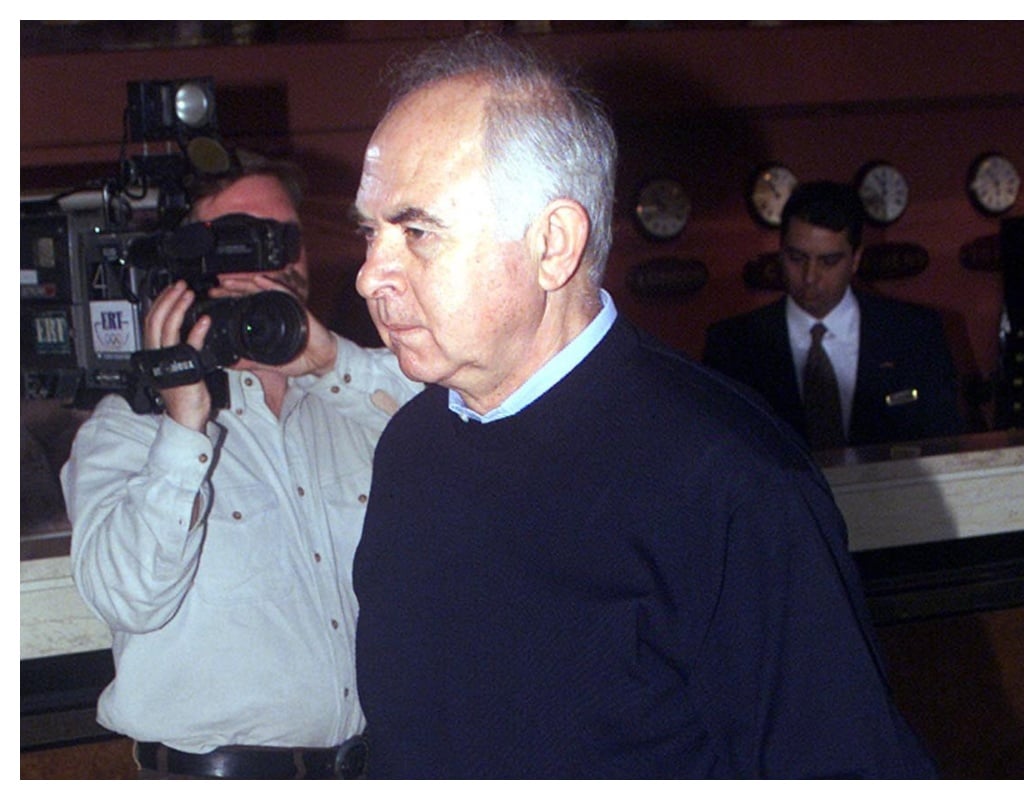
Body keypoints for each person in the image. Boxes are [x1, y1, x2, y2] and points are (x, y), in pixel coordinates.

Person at [351, 34, 937, 779]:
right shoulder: (410, 449)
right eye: (370, 233)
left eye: (416, 232)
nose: (371, 275)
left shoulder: (728, 479)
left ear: (553, 245)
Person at [61, 159, 423, 778]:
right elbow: (127, 597)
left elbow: (470, 430)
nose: (272, 257)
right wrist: (184, 425)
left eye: (284, 237)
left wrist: (329, 362)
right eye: (241, 238)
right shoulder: (130, 427)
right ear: (185, 262)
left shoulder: (349, 399)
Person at [703, 181, 964, 449]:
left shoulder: (915, 334)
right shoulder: (734, 346)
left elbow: (945, 444)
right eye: (797, 258)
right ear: (780, 252)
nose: (810, 277)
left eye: (828, 261)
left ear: (855, 259)